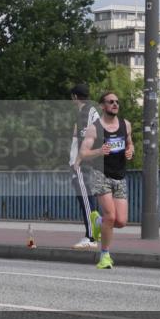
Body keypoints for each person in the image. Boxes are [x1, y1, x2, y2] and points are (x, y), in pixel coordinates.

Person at [80, 91, 134, 270]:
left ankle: (97, 222)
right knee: (110, 216)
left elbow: (129, 143)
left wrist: (130, 151)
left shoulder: (125, 125)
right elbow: (83, 154)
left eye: (117, 102)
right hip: (100, 174)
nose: (115, 104)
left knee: (121, 222)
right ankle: (104, 256)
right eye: (111, 102)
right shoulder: (94, 128)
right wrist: (98, 151)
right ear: (102, 106)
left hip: (119, 175)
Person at [69, 83, 101, 250]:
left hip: (83, 164)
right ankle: (94, 233)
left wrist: (77, 162)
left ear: (75, 96)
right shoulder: (91, 111)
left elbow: (85, 139)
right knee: (89, 201)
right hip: (89, 163)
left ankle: (91, 237)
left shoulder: (85, 113)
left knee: (86, 201)